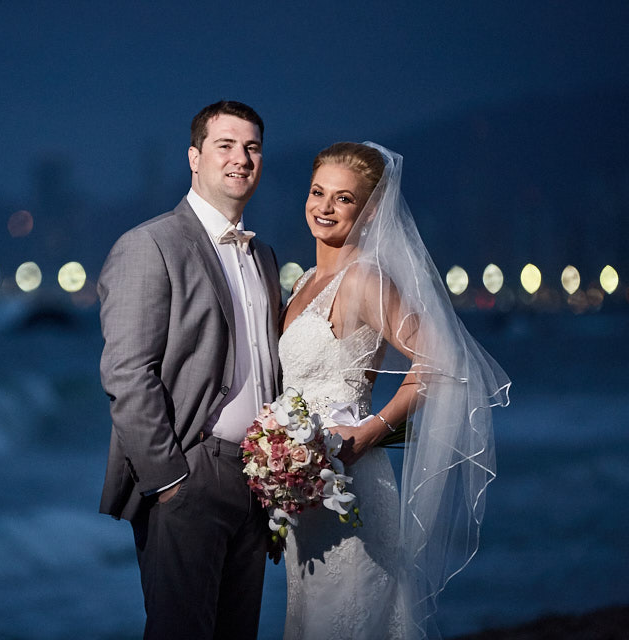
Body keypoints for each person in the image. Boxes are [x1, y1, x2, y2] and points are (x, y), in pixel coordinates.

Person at [278, 142, 510, 639]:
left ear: (371, 209)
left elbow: (443, 360)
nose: (324, 207)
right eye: (318, 192)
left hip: (350, 483)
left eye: (343, 199)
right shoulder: (303, 283)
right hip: (305, 492)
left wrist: (369, 433)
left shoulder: (363, 279)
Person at [97, 100, 282, 640]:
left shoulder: (264, 256)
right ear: (194, 158)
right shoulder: (148, 244)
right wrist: (171, 481)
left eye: (251, 147)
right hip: (191, 472)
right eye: (225, 145)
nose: (241, 158)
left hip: (259, 480)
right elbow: (128, 374)